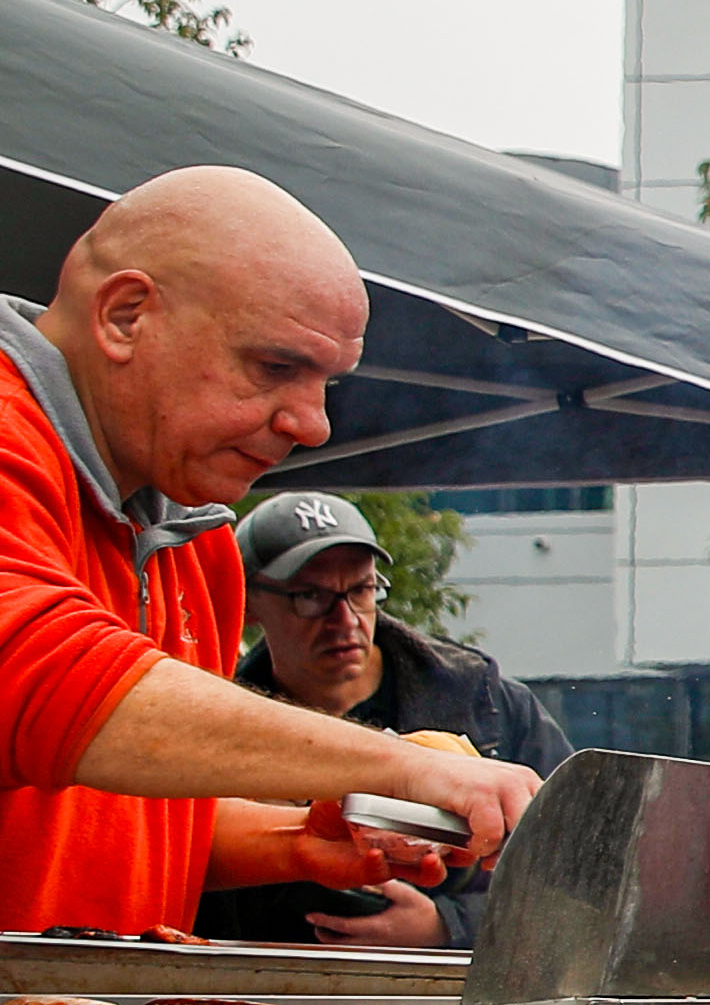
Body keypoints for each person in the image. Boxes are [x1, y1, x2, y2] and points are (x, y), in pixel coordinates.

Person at [0, 170, 538, 939]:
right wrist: (392, 766)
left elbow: (115, 814)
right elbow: (42, 681)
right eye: (276, 367)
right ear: (124, 316)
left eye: (326, 382)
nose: (314, 425)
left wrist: (298, 842)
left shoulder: (199, 540)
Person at [182, 491, 573, 950]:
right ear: (247, 601)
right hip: (264, 998)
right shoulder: (210, 731)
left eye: (362, 590)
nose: (344, 619)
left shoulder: (488, 703)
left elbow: (583, 867)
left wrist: (451, 925)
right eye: (310, 596)